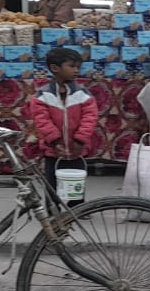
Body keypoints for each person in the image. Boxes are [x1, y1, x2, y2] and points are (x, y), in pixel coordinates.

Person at [28, 48, 98, 208]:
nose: (76, 70)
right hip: (53, 150)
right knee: (51, 181)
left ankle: (78, 208)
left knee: (77, 180)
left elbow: (90, 117)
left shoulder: (83, 94)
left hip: (77, 149)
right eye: (72, 66)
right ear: (55, 68)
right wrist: (54, 140)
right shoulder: (42, 96)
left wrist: (80, 139)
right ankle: (53, 209)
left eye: (78, 67)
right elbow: (41, 120)